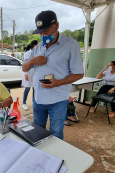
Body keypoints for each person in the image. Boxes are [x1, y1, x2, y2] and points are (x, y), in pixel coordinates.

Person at [22, 10, 84, 140]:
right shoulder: (38, 47)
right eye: (41, 32)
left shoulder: (71, 45)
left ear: (56, 25)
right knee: (38, 130)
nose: (44, 34)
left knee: (56, 132)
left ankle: (55, 158)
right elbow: (24, 68)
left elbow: (79, 74)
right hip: (38, 98)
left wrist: (59, 82)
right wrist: (31, 61)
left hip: (58, 99)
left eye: (46, 31)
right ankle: (41, 155)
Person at [22, 40, 38, 110]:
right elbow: (25, 64)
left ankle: (33, 102)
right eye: (37, 44)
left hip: (34, 73)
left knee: (34, 88)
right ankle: (24, 103)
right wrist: (26, 74)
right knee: (27, 88)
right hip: (28, 73)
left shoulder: (37, 52)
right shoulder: (27, 53)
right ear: (34, 45)